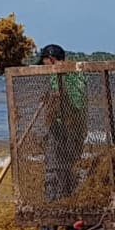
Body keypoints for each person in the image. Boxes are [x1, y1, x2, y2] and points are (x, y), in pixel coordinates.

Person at [38, 44, 87, 204]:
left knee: (55, 171)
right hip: (75, 129)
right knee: (68, 170)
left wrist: (57, 98)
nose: (44, 66)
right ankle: (67, 209)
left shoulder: (66, 73)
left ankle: (54, 213)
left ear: (51, 60)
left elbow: (75, 103)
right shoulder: (76, 72)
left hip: (65, 130)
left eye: (44, 62)